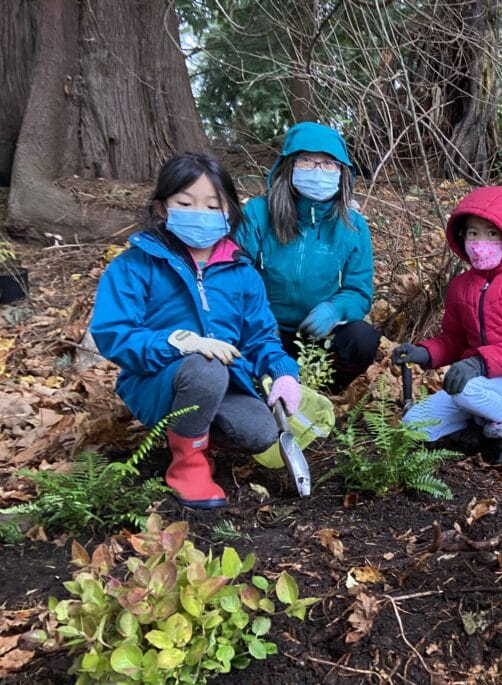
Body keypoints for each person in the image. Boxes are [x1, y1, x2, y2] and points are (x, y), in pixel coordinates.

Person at [90, 152, 302, 509]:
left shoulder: (242, 272)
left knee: (261, 432)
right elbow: (114, 334)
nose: (200, 215)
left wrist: (283, 373)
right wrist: (179, 342)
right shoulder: (135, 266)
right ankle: (187, 465)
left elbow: (261, 337)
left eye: (212, 206)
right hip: (156, 379)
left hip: (227, 380)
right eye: (185, 203)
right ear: (162, 208)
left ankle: (194, 432)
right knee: (204, 367)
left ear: (230, 211)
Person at [391, 186, 502, 464]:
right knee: (413, 423)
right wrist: (424, 352)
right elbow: (455, 339)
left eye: (491, 233)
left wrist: (479, 364)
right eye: (473, 233)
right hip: (476, 381)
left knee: (466, 389)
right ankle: (481, 424)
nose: (480, 242)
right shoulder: (461, 285)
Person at [235, 122, 380, 394]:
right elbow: (235, 273)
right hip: (263, 331)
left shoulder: (353, 226)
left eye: (328, 164)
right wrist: (259, 318)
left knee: (363, 338)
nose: (317, 170)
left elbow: (359, 291)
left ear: (342, 172)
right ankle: (259, 383)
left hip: (317, 337)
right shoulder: (257, 214)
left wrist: (335, 309)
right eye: (306, 161)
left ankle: (323, 391)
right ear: (288, 166)